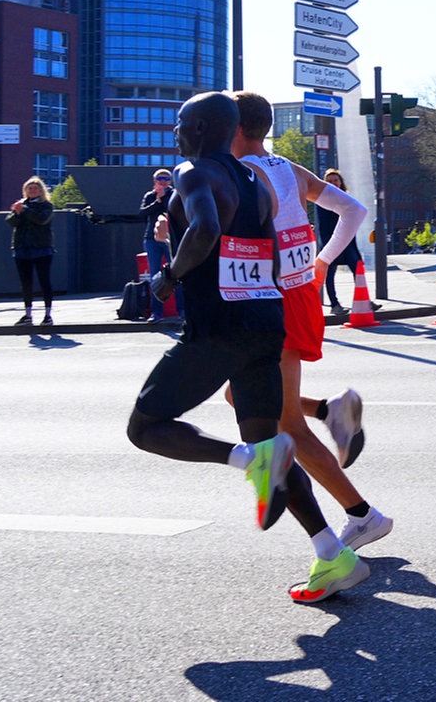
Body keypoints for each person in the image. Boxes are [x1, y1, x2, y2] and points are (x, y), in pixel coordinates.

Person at [125, 92, 365, 604]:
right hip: (265, 323)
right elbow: (268, 248)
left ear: (207, 126)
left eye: (182, 122)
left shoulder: (192, 172)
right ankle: (332, 554)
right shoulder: (256, 180)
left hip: (217, 330)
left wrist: (168, 275)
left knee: (145, 428)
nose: (176, 131)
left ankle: (245, 461)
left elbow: (209, 230)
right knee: (273, 444)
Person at [224, 91, 389, 586]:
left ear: (232, 128)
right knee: (241, 397)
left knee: (285, 426)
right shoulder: (290, 171)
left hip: (269, 300)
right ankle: (330, 410)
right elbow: (355, 211)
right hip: (299, 297)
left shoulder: (243, 176)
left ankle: (362, 515)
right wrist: (320, 262)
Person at [7, 177, 57, 327]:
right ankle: (28, 314)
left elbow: (42, 220)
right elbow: (11, 222)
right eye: (29, 188)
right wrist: (16, 213)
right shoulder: (21, 205)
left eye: (35, 188)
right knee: (26, 283)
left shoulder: (46, 206)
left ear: (41, 190)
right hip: (22, 249)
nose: (32, 191)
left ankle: (48, 315)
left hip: (42, 248)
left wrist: (26, 210)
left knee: (44, 281)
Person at [316, 170, 363, 315]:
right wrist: (327, 246)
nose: (333, 183)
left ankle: (364, 301)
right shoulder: (323, 201)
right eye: (329, 181)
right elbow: (323, 226)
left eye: (335, 180)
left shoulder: (346, 198)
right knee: (330, 274)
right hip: (332, 242)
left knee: (358, 269)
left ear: (341, 182)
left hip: (348, 242)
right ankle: (334, 305)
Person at [141, 168, 175, 320]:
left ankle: (182, 311)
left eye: (166, 178)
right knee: (155, 275)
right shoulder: (149, 196)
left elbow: (174, 211)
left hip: (170, 238)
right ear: (155, 181)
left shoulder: (175, 194)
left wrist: (165, 198)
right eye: (160, 178)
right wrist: (157, 201)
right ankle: (157, 312)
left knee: (176, 274)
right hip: (152, 239)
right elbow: (142, 213)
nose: (163, 181)